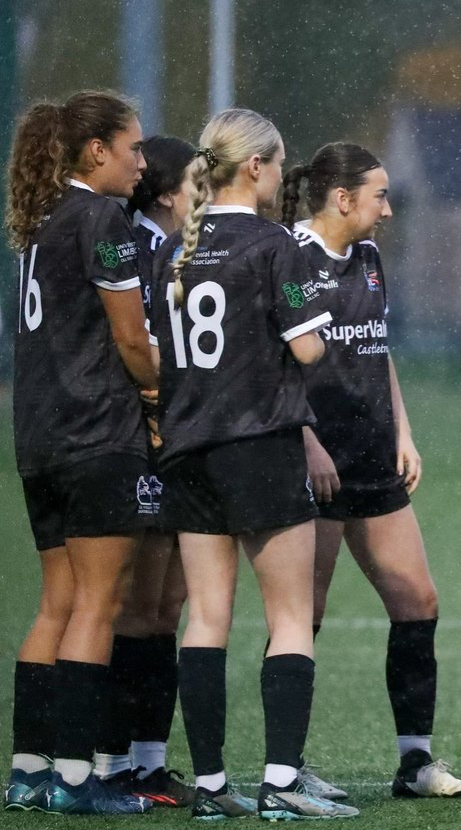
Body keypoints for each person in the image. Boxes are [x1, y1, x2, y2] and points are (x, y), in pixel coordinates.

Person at [149, 108, 357, 820]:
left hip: (186, 449)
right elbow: (307, 351)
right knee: (291, 616)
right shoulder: (274, 245)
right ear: (256, 168)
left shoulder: (174, 247)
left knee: (205, 618)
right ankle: (280, 783)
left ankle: (210, 789)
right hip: (259, 444)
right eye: (279, 161)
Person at [280, 141, 461, 800]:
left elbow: (378, 349)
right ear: (343, 199)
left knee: (418, 602)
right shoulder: (288, 257)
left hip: (373, 459)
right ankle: (289, 766)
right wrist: (306, 440)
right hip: (317, 466)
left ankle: (415, 764)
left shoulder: (366, 260)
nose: (389, 210)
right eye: (380, 196)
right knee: (301, 617)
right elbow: (273, 367)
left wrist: (405, 431)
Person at [4, 90, 157, 815]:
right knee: (100, 601)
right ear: (96, 151)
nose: (142, 162)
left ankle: (29, 771)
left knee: (57, 603)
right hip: (96, 433)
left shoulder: (42, 223)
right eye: (133, 148)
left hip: (38, 437)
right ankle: (75, 779)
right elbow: (131, 340)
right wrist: (161, 397)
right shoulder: (102, 218)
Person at [90, 134, 199, 809]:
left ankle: (151, 767)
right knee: (134, 608)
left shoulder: (174, 254)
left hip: (180, 439)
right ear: (165, 192)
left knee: (166, 608)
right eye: (196, 183)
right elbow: (135, 347)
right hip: (143, 439)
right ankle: (111, 763)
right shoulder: (139, 251)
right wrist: (160, 409)